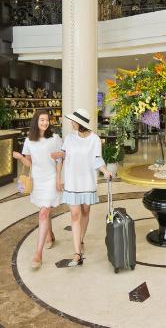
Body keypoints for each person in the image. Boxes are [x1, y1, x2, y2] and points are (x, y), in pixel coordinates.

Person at [53, 108, 113, 268]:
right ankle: (77, 253)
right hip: (72, 182)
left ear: (80, 123)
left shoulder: (95, 139)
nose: (71, 123)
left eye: (73, 121)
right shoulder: (69, 138)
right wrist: (58, 177)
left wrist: (105, 171)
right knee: (74, 215)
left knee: (85, 212)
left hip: (87, 181)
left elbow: (97, 159)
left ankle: (80, 240)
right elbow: (62, 157)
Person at [12, 109, 62, 270]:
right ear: (36, 121)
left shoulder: (55, 138)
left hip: (51, 179)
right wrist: (21, 157)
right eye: (42, 120)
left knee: (43, 213)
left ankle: (38, 253)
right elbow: (29, 163)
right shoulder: (29, 140)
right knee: (45, 210)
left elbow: (60, 159)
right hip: (37, 180)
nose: (45, 122)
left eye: (47, 120)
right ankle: (50, 235)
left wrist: (59, 178)